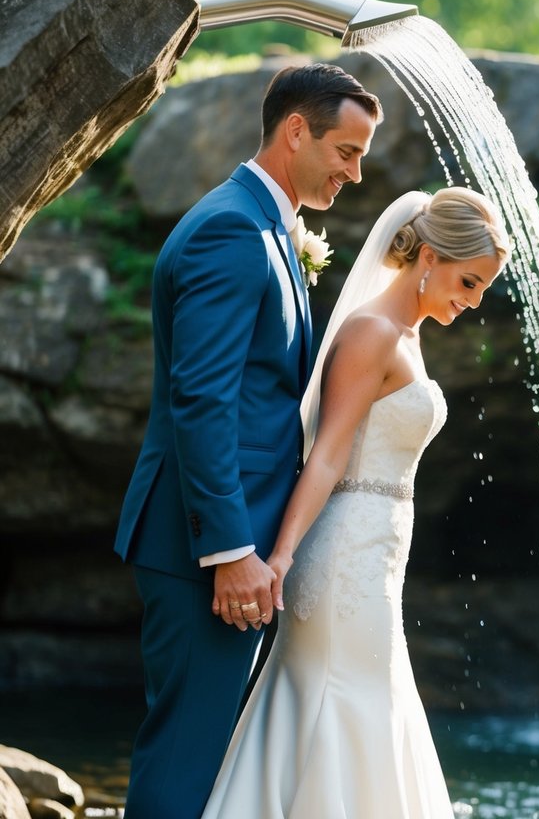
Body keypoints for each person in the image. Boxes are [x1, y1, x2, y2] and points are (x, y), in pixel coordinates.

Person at [113, 63, 382, 819]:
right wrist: (230, 552)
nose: (355, 173)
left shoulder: (267, 225)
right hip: (203, 554)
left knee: (212, 759)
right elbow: (201, 402)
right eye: (347, 151)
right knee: (185, 757)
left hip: (232, 549)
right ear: (296, 130)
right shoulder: (231, 229)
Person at [200, 187, 510, 818]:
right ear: (428, 256)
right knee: (349, 698)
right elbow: (328, 455)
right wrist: (281, 556)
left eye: (482, 290)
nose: (474, 301)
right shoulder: (372, 332)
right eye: (468, 281)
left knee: (365, 696)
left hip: (376, 556)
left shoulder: (407, 334)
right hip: (343, 561)